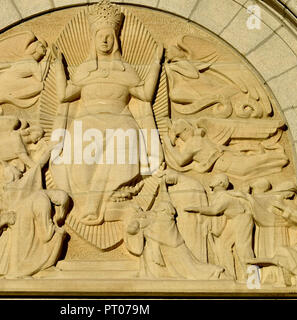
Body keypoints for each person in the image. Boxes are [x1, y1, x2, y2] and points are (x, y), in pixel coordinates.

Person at [50, 0, 163, 246]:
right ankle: (88, 203)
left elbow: (144, 95)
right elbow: (64, 95)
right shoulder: (85, 70)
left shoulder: (126, 70)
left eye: (109, 36)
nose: (105, 41)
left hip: (120, 120)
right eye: (101, 36)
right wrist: (59, 67)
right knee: (80, 143)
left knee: (126, 136)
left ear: (116, 40)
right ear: (94, 40)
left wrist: (155, 64)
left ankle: (108, 198)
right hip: (88, 122)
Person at [185, 174, 255, 281]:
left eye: (214, 179)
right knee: (222, 246)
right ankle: (229, 275)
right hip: (232, 220)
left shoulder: (225, 197)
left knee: (242, 247)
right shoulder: (219, 196)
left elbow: (214, 210)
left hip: (242, 219)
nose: (211, 179)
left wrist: (196, 209)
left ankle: (253, 279)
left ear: (221, 183)